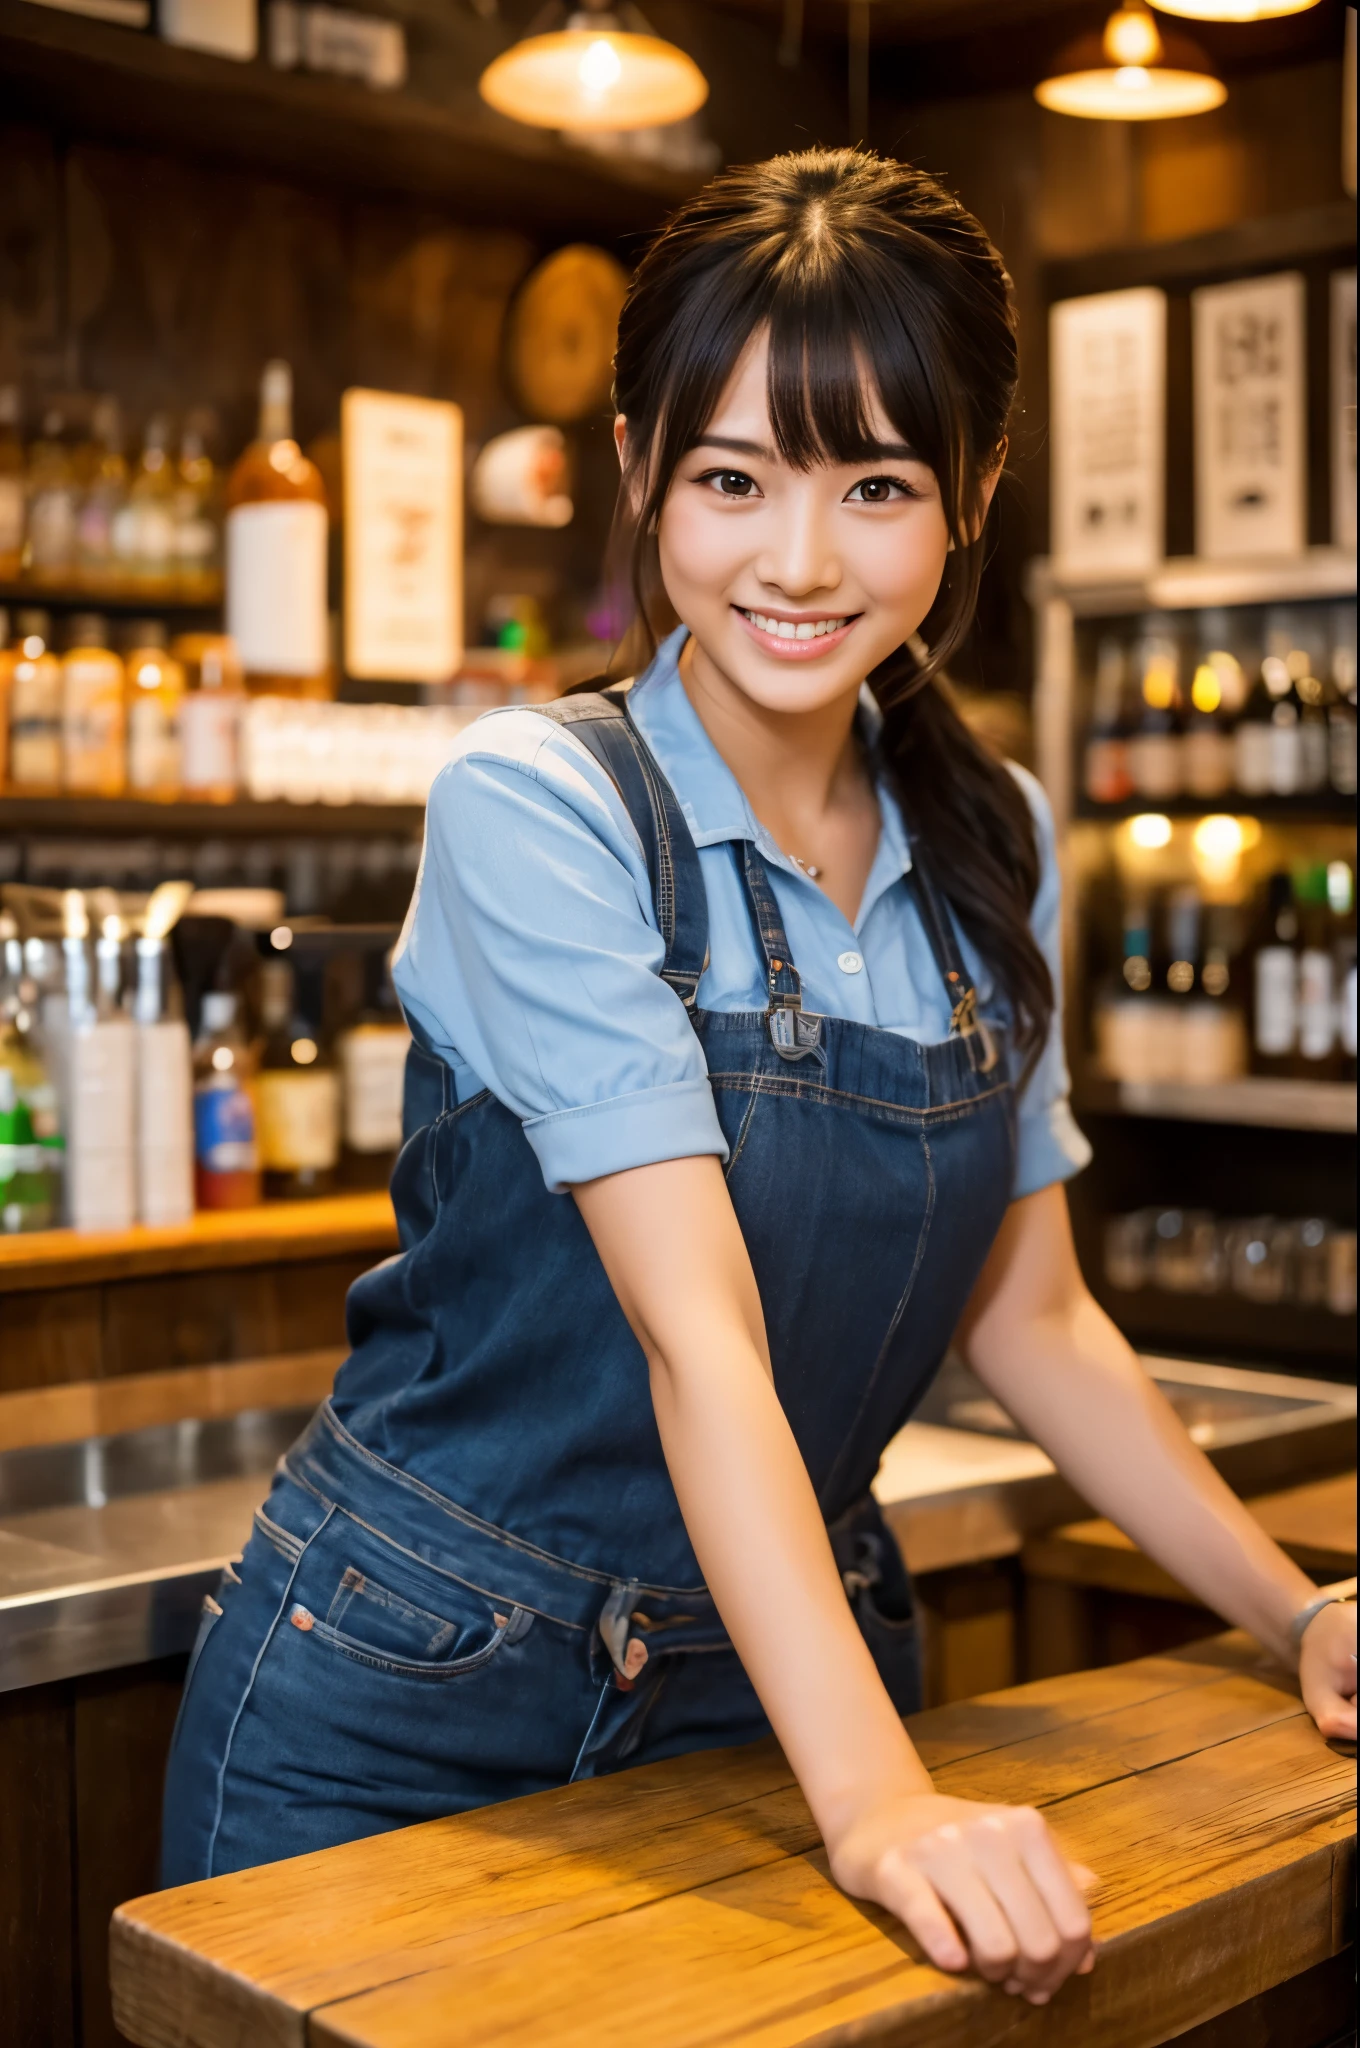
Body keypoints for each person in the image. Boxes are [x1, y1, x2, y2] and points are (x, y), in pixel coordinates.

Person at [161, 149, 1356, 2007]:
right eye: (733, 480)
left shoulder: (992, 829)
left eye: (875, 485)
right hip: (414, 1697)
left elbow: (1040, 1322)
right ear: (642, 472)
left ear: (969, 500)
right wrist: (883, 1807)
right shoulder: (542, 807)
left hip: (775, 1689)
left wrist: (1296, 1612)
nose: (800, 564)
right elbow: (699, 1337)